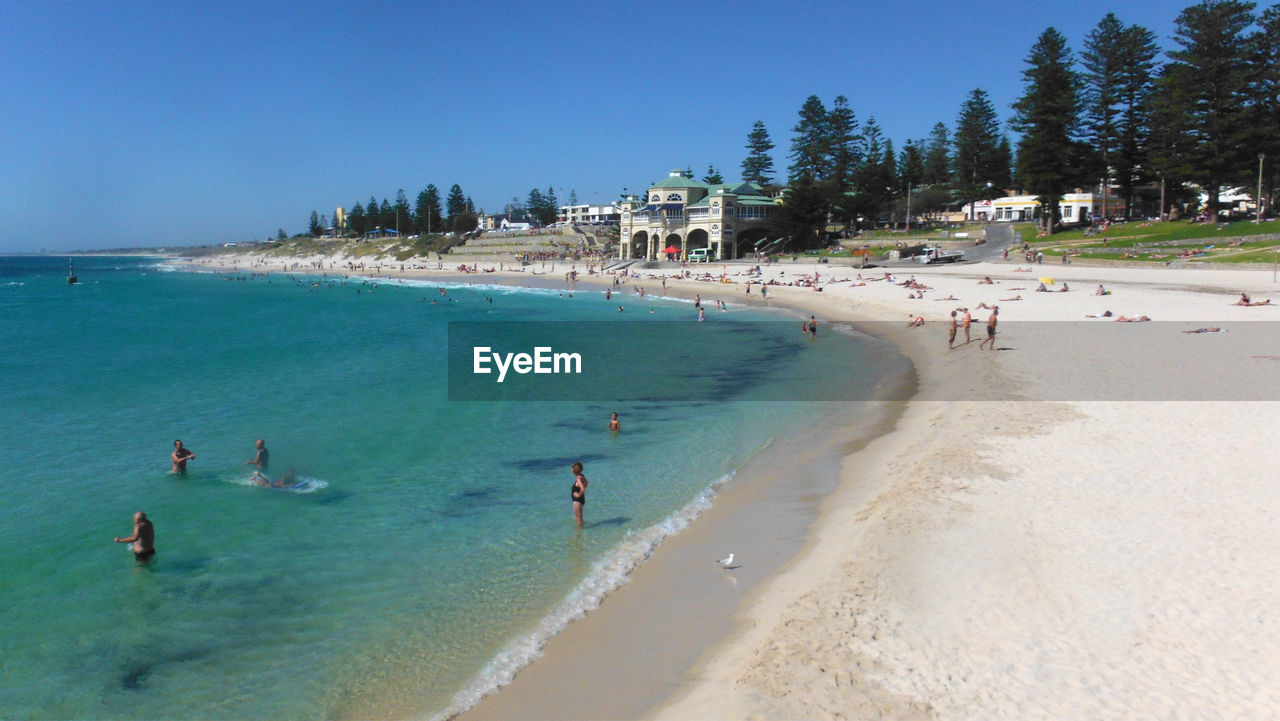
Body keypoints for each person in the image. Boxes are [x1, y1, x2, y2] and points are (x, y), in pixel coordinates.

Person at [570, 462, 588, 528]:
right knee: (578, 518)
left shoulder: (578, 478)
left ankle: (579, 535)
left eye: (572, 468)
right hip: (580, 500)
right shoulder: (582, 475)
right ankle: (581, 531)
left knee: (578, 519)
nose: (571, 470)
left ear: (574, 470)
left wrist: (579, 495)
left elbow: (582, 489)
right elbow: (587, 482)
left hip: (577, 501)